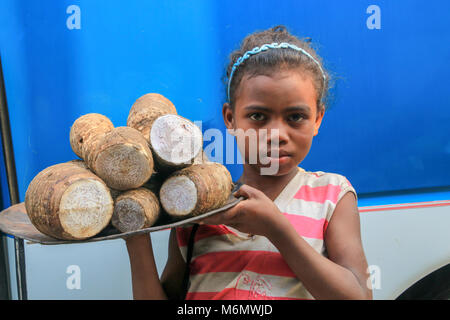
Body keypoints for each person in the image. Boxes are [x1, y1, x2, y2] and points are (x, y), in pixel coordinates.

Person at [125, 25, 373, 300]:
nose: (277, 134)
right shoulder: (199, 210)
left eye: (295, 117)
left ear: (317, 119)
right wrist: (137, 238)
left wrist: (277, 230)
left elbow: (358, 296)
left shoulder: (332, 195)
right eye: (258, 116)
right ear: (230, 119)